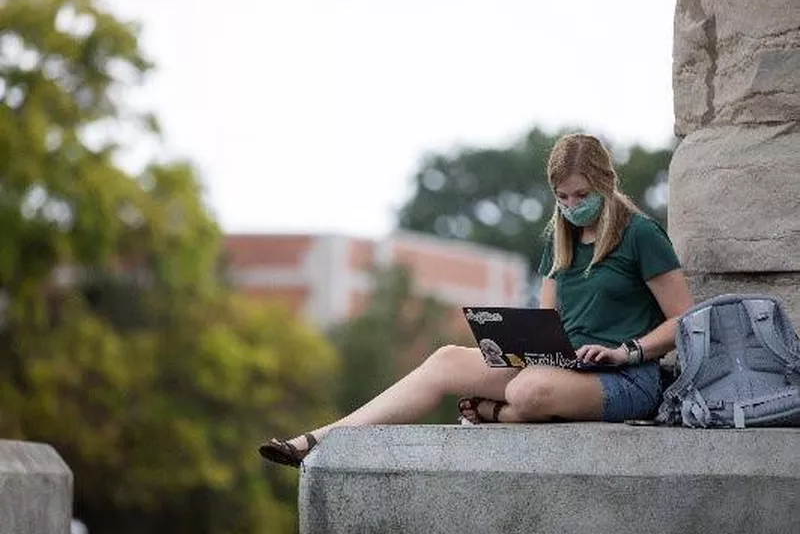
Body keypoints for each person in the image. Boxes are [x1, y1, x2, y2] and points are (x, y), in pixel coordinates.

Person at [259, 133, 694, 468]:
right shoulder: (558, 239)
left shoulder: (641, 235)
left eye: (581, 195)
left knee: (529, 388)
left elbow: (685, 318)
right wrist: (518, 343)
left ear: (605, 183)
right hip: (565, 368)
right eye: (562, 197)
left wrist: (624, 352)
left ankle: (496, 412)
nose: (572, 206)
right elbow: (547, 322)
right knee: (448, 359)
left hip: (627, 379)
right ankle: (318, 441)